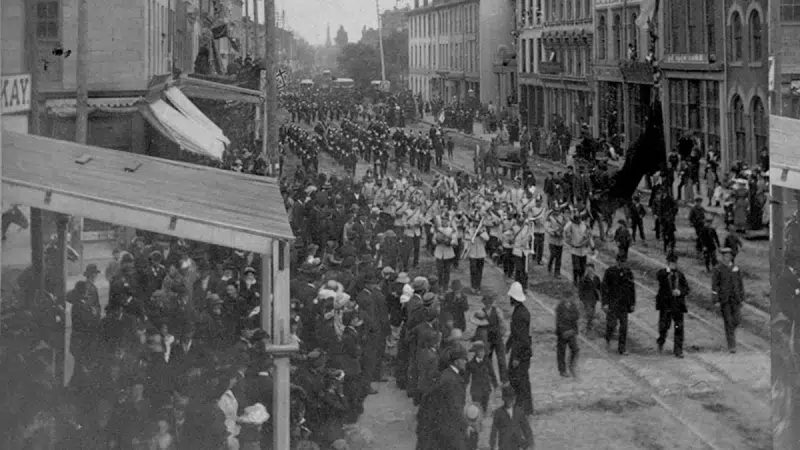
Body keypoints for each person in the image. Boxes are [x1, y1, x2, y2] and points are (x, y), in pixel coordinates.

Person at [416, 345, 469, 450]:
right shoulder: (452, 381)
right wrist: (465, 425)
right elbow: (455, 408)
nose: (465, 362)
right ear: (456, 361)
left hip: (435, 424)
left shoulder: (446, 374)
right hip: (446, 427)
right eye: (463, 359)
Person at [655, 252, 690, 358]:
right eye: (671, 263)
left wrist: (680, 292)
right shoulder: (663, 273)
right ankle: (661, 341)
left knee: (678, 327)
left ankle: (678, 350)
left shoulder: (680, 275)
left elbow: (686, 288)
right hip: (666, 305)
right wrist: (668, 270)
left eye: (675, 263)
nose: (674, 265)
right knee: (664, 326)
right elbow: (659, 277)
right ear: (668, 263)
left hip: (677, 306)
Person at [711, 248, 744, 353]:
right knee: (728, 321)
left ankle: (731, 334)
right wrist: (715, 300)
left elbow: (740, 284)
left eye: (728, 256)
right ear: (722, 257)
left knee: (737, 320)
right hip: (724, 300)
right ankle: (732, 345)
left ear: (731, 257)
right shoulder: (718, 269)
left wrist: (742, 298)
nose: (727, 258)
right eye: (725, 256)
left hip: (736, 299)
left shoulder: (736, 269)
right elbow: (714, 286)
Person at [602, 253, 636, 355]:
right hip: (612, 303)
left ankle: (621, 348)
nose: (624, 264)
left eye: (625, 262)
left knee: (624, 326)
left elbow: (631, 289)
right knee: (611, 324)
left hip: (623, 304)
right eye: (622, 262)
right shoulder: (610, 271)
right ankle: (607, 338)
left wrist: (632, 303)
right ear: (617, 261)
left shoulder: (628, 272)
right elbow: (604, 288)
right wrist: (605, 303)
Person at [465, 341, 497, 413]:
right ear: (476, 352)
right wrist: (464, 386)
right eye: (480, 351)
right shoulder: (470, 364)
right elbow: (466, 378)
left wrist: (495, 385)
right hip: (476, 391)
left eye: (483, 351)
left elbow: (492, 374)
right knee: (477, 409)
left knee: (484, 408)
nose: (482, 353)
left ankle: (482, 420)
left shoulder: (487, 361)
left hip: (486, 390)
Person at [555, 293, 580, 377]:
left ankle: (571, 365)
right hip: (562, 333)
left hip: (571, 331)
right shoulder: (560, 307)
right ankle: (562, 370)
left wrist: (574, 330)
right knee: (561, 352)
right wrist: (562, 332)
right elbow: (558, 321)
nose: (568, 300)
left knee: (575, 349)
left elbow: (576, 317)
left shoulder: (573, 306)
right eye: (567, 298)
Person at [577, 263, 602, 334]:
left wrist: (600, 297)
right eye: (588, 270)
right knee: (590, 313)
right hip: (586, 300)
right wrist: (581, 299)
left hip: (594, 299)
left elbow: (599, 288)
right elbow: (580, 290)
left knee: (592, 313)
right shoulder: (583, 279)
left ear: (594, 270)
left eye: (591, 270)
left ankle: (588, 324)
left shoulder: (596, 278)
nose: (590, 272)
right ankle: (588, 327)